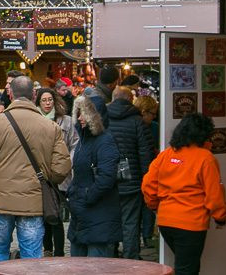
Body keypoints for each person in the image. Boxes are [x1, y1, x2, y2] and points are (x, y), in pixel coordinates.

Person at [0, 76, 71, 261]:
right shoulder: (51, 127)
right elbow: (62, 167)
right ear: (34, 95)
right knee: (31, 259)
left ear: (10, 93)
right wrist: (46, 181)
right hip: (32, 202)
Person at [142, 112, 226, 275]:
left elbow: (148, 184)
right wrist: (220, 217)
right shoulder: (205, 158)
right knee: (187, 268)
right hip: (191, 223)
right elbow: (214, 193)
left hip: (166, 221)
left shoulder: (166, 154)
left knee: (188, 266)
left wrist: (155, 206)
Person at [67, 92, 122, 257]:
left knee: (96, 267)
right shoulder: (84, 139)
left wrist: (87, 196)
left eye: (85, 113)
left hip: (98, 215)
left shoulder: (105, 141)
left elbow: (106, 177)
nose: (80, 117)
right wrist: (73, 191)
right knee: (77, 267)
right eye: (78, 112)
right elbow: (80, 173)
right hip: (82, 214)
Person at [106, 86, 154, 260]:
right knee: (131, 220)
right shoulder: (137, 121)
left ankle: (110, 255)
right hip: (132, 181)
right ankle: (131, 257)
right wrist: (146, 179)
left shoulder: (103, 118)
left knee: (110, 219)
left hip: (108, 179)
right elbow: (145, 153)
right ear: (129, 100)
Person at [36, 87, 79, 257]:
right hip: (41, 175)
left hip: (60, 174)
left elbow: (75, 144)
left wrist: (67, 163)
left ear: (55, 101)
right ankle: (47, 249)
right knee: (45, 214)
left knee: (56, 215)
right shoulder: (35, 120)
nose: (47, 103)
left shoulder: (66, 121)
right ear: (38, 102)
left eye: (49, 100)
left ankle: (59, 251)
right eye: (43, 100)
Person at [134, 95, 160, 247]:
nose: (154, 117)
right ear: (144, 112)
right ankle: (145, 236)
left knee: (146, 204)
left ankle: (147, 235)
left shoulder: (155, 127)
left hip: (144, 171)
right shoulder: (148, 127)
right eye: (153, 113)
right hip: (143, 170)